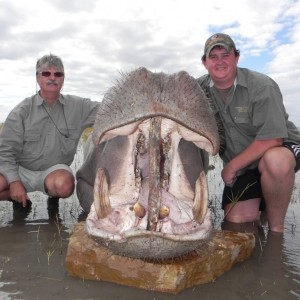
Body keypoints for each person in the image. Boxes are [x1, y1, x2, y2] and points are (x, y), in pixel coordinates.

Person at [197, 33, 300, 233]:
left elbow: (273, 138)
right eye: (213, 56)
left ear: (236, 57)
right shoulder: (197, 89)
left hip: (280, 148)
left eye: (225, 55)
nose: (220, 61)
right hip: (246, 166)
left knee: (275, 162)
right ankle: (262, 205)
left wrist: (231, 167)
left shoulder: (261, 86)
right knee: (237, 223)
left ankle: (276, 231)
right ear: (204, 62)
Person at [0, 54, 99, 212]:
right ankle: (18, 198)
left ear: (63, 79)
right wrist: (14, 182)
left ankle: (54, 201)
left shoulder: (79, 106)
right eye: (46, 73)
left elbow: (110, 110)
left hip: (54, 171)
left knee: (65, 185)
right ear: (38, 78)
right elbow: (5, 152)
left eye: (58, 74)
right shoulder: (21, 111)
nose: (52, 78)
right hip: (21, 169)